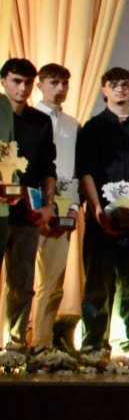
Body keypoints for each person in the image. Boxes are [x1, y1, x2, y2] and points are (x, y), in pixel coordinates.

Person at [78, 67, 129, 352]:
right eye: (114, 85)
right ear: (104, 90)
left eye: (126, 85)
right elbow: (86, 172)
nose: (120, 90)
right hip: (102, 219)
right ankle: (93, 345)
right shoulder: (93, 127)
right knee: (98, 285)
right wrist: (98, 210)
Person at [0, 58, 58, 348]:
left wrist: (48, 203)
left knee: (22, 283)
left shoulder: (40, 121)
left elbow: (48, 166)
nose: (22, 88)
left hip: (26, 212)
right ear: (3, 81)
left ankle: (15, 344)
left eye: (27, 83)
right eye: (16, 81)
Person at [27, 63, 79, 351]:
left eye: (64, 83)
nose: (59, 89)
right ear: (41, 85)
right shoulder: (28, 119)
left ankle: (42, 344)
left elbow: (75, 171)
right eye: (53, 82)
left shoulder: (73, 124)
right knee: (19, 282)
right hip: (29, 207)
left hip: (63, 208)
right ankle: (12, 342)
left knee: (54, 281)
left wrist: (74, 207)